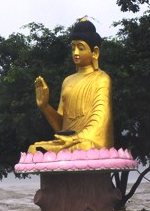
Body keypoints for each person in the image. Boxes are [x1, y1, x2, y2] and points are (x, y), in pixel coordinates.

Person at [29, 18, 113, 153]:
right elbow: (62, 129)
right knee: (34, 149)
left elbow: (100, 124)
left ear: (95, 52)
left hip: (89, 142)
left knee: (84, 147)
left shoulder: (102, 79)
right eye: (73, 47)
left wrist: (74, 138)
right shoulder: (67, 81)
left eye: (81, 48)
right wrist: (45, 106)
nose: (76, 53)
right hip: (70, 143)